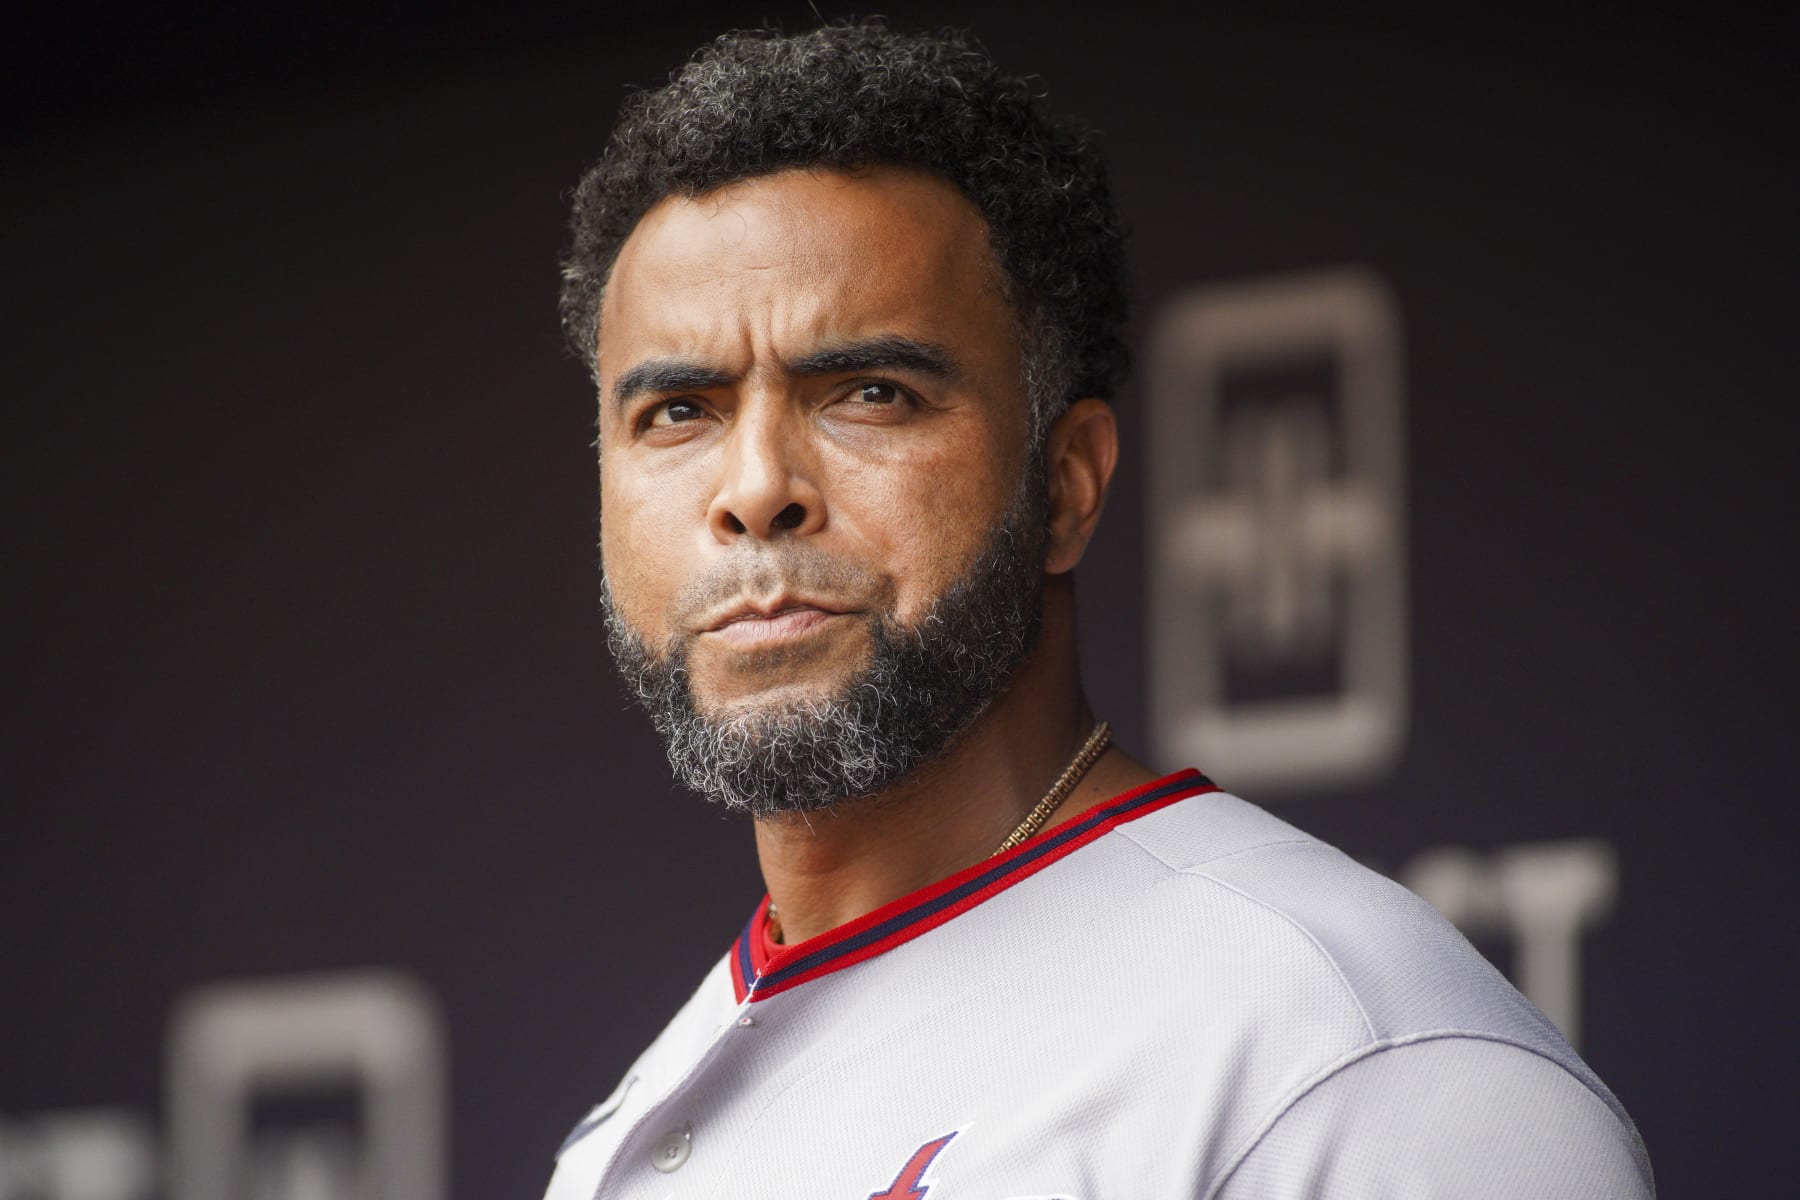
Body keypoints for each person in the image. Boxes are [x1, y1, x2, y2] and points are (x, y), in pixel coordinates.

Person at [543, 20, 1654, 1198]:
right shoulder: (617, 1140)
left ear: (1067, 483)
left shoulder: (1355, 1066)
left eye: (871, 393)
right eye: (677, 414)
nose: (756, 488)